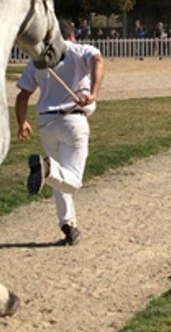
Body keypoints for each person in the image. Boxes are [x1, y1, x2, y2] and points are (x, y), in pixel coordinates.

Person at [16, 19, 105, 246]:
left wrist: (22, 122)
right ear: (71, 36)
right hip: (73, 121)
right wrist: (93, 93)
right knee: (72, 181)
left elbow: (22, 96)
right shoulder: (78, 49)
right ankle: (46, 168)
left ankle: (68, 225)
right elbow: (97, 60)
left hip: (46, 123)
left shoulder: (38, 61)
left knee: (59, 177)